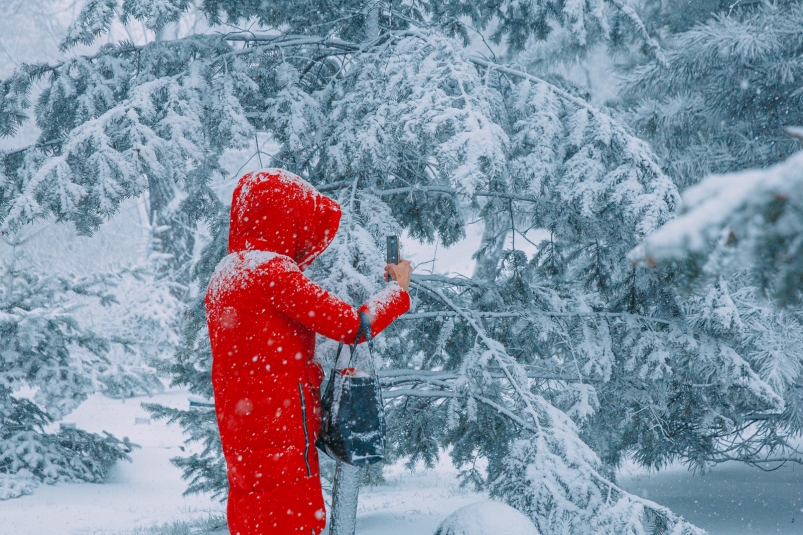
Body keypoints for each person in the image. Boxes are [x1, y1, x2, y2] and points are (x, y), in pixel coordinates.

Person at [205, 169, 412, 535]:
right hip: (282, 433)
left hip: (244, 431)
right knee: (290, 520)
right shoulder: (272, 272)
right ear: (286, 219)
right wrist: (397, 291)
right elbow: (353, 326)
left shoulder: (225, 274)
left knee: (253, 514)